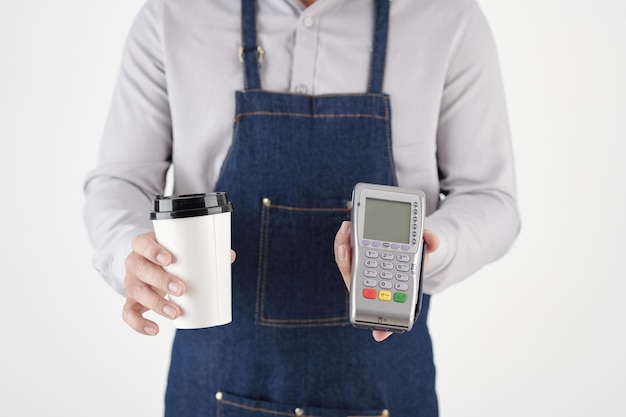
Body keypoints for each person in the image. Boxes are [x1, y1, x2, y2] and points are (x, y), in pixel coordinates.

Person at [83, 0, 520, 415]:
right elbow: (121, 180)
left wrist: (424, 253)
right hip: (212, 382)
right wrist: (131, 249)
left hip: (384, 384)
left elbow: (490, 197)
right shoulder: (174, 13)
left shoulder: (445, 17)